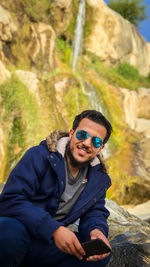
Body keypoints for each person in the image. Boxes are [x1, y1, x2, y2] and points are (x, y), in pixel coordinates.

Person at [0, 109, 112, 267]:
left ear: (101, 148)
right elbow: (10, 200)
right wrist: (54, 229)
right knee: (7, 231)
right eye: (82, 135)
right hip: (20, 233)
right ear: (72, 133)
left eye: (96, 142)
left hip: (46, 246)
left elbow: (95, 213)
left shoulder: (98, 179)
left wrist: (97, 231)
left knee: (99, 255)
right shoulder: (39, 156)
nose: (87, 143)